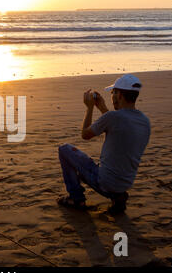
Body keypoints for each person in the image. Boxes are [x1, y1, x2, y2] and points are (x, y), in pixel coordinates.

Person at [57, 74, 151, 214]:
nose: (112, 96)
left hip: (105, 182)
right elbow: (117, 127)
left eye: (113, 92)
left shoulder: (113, 117)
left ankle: (76, 198)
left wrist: (89, 108)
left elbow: (85, 135)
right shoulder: (144, 121)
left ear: (119, 95)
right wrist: (102, 108)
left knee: (65, 150)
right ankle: (117, 196)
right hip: (125, 183)